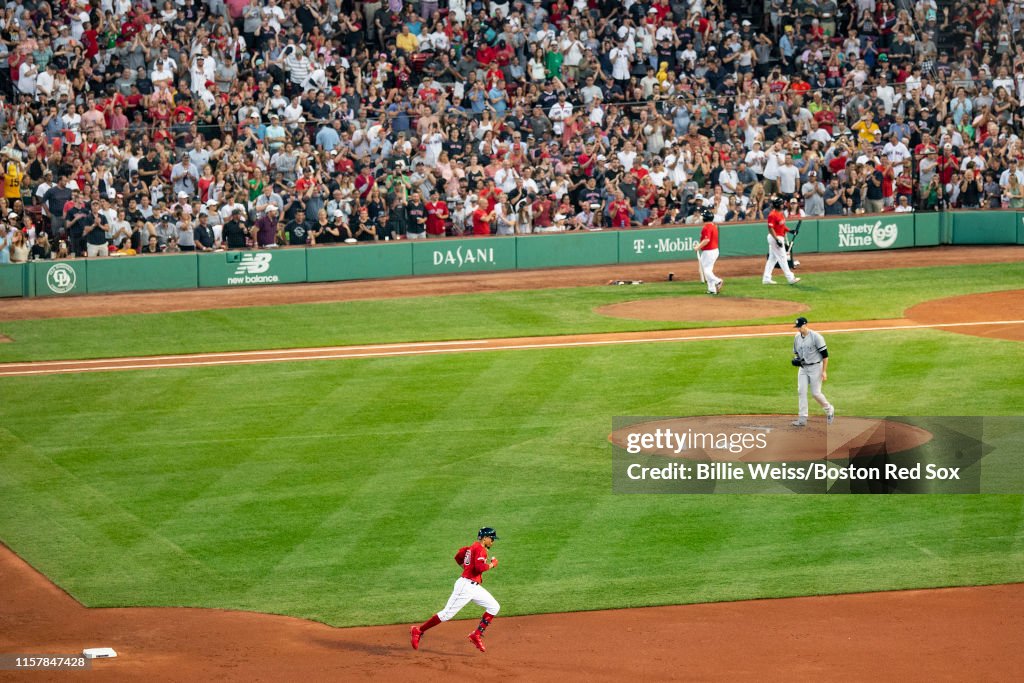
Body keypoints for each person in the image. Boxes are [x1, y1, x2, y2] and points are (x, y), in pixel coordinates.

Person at [410, 527, 501, 653]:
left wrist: (466, 569)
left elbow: (458, 557)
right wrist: (493, 564)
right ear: (485, 538)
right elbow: (480, 568)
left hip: (473, 587)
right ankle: (418, 630)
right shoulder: (480, 550)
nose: (492, 541)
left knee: (494, 607)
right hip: (465, 587)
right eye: (491, 538)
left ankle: (476, 635)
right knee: (446, 614)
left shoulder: (470, 548)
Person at [790, 317, 835, 427]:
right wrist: (797, 360)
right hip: (803, 368)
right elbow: (796, 353)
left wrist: (824, 371)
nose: (798, 329)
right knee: (801, 391)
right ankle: (802, 418)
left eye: (800, 327)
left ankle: (829, 409)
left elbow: (825, 356)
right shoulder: (797, 337)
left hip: (816, 367)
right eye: (797, 327)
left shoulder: (816, 337)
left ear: (805, 325)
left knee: (815, 393)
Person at [763, 198, 800, 286]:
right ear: (778, 205)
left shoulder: (780, 214)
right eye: (781, 204)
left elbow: (782, 226)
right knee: (783, 258)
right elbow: (770, 228)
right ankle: (790, 278)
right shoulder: (772, 215)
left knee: (772, 259)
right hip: (775, 237)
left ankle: (766, 278)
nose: (783, 205)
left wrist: (790, 230)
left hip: (779, 237)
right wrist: (776, 239)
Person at [694, 209, 723, 295]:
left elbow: (707, 240)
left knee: (706, 270)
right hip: (713, 250)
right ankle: (711, 289)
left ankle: (717, 281)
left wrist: (698, 247)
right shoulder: (713, 226)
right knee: (708, 270)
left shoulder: (706, 227)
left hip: (709, 251)